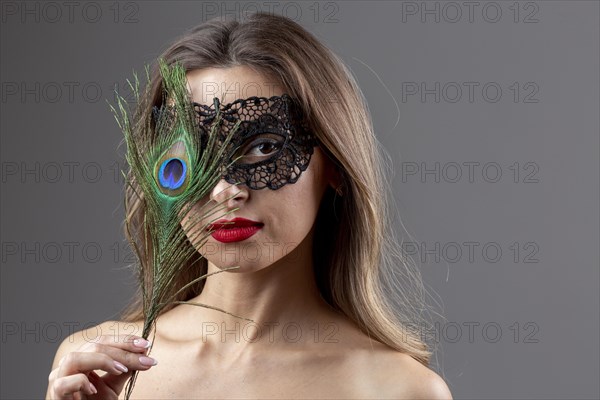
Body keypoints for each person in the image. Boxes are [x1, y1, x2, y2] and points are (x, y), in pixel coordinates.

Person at [46, 12, 452, 399]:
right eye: (191, 156)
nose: (224, 191)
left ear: (335, 166)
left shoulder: (398, 390)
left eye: (262, 147)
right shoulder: (95, 368)